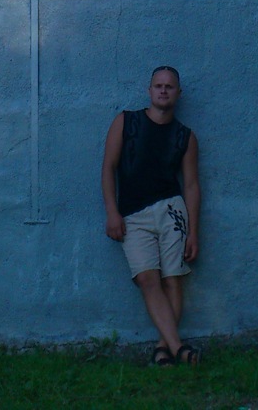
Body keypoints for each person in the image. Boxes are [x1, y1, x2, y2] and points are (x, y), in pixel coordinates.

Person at [101, 65, 201, 366]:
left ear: (178, 93)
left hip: (172, 211)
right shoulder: (126, 122)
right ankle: (180, 348)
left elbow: (192, 185)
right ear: (149, 90)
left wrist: (194, 231)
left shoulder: (186, 136)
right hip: (133, 214)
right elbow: (108, 167)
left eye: (170, 87)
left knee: (173, 280)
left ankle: (164, 348)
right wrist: (112, 211)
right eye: (158, 85)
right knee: (147, 279)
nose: (163, 90)